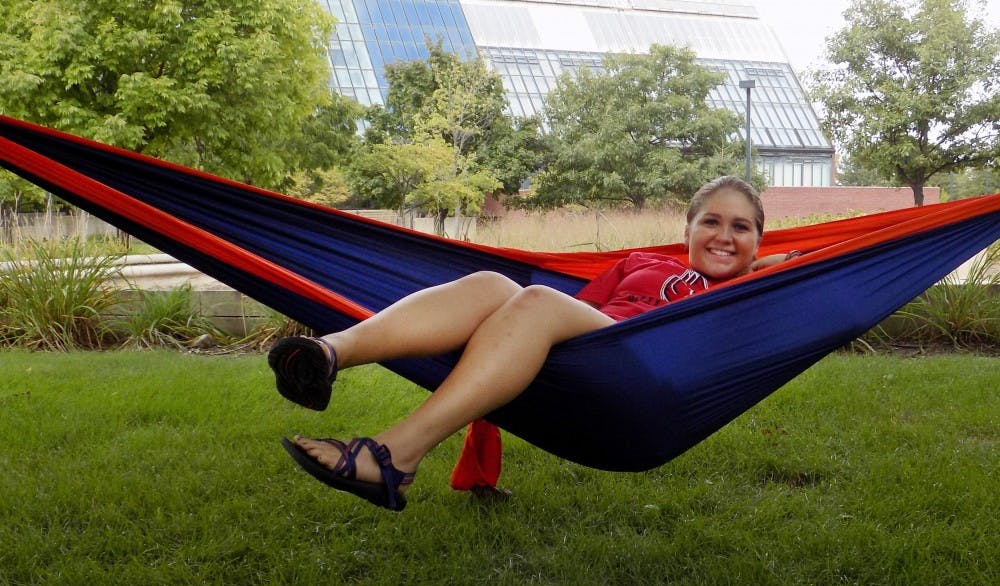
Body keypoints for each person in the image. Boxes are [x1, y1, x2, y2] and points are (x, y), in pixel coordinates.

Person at [269, 175, 796, 510]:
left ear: (759, 243)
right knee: (497, 286)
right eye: (711, 221)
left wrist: (763, 268)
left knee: (536, 298)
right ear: (687, 230)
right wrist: (482, 462)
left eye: (741, 227)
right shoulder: (640, 263)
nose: (724, 235)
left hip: (644, 376)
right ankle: (329, 353)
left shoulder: (749, 294)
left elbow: (813, 286)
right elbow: (551, 318)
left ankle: (394, 455)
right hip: (585, 352)